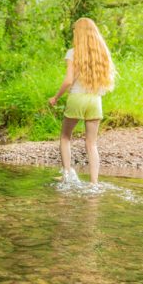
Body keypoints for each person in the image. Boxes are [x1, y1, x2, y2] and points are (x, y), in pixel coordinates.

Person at [48, 17, 115, 184]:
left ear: (79, 33)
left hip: (76, 99)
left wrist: (55, 97)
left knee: (65, 137)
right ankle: (94, 183)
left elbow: (69, 81)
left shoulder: (73, 53)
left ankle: (67, 175)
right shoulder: (103, 54)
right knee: (91, 143)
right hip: (95, 101)